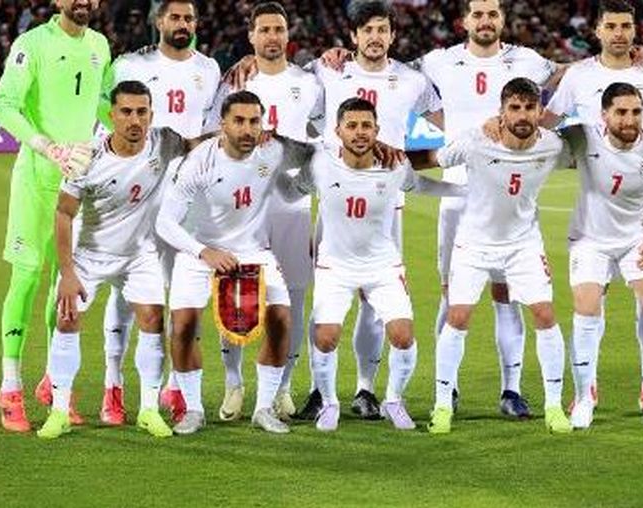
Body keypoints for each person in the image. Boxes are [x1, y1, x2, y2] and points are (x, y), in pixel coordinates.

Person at [414, 0, 566, 418]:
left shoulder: (527, 59)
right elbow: (389, 69)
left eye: (492, 13)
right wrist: (338, 57)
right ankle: (448, 389)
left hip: (509, 197)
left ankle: (511, 390)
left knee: (508, 295)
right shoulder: (440, 60)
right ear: (464, 20)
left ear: (502, 19)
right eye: (478, 14)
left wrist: (617, 60)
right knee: (452, 296)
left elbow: (569, 75)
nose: (485, 21)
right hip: (457, 195)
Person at [284, 98, 463, 431]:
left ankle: (393, 401)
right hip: (335, 268)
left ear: (377, 130)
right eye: (351, 126)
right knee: (325, 337)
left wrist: (463, 191)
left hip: (383, 267)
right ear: (337, 130)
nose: (359, 132)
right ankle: (329, 403)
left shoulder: (394, 166)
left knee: (403, 336)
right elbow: (289, 191)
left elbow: (420, 185)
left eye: (366, 125)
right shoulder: (321, 164)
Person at [39, 80, 198, 439]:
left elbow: (193, 145)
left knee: (153, 319)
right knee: (67, 319)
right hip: (91, 255)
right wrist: (67, 273)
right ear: (112, 115)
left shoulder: (163, 141)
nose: (135, 120)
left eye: (142, 112)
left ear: (151, 114)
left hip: (140, 255)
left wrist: (230, 134)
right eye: (126, 112)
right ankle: (60, 410)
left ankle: (148, 409)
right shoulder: (86, 158)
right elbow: (63, 214)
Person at [154, 91, 317, 434]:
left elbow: (317, 155)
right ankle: (193, 410)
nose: (247, 129)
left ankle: (263, 408)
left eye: (254, 121)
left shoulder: (273, 149)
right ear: (222, 124)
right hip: (200, 251)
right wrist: (205, 252)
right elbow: (165, 223)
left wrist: (302, 182)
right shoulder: (199, 161)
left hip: (254, 251)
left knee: (281, 319)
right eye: (239, 121)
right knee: (182, 326)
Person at [92, 0, 222, 426]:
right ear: (159, 21)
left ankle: (174, 387)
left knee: (181, 294)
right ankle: (113, 385)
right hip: (138, 195)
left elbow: (214, 129)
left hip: (188, 198)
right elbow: (105, 122)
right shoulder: (130, 65)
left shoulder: (209, 69)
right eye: (175, 17)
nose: (182, 24)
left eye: (189, 18)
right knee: (125, 292)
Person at [543, 0, 643, 411]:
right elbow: (547, 122)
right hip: (597, 199)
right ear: (597, 31)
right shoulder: (579, 75)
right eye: (612, 26)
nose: (619, 33)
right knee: (591, 296)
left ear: (635, 30)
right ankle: (588, 388)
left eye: (626, 26)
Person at [202, 2, 324, 423]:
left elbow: (324, 134)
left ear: (288, 34)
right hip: (240, 204)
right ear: (251, 35)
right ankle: (233, 382)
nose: (273, 36)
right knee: (234, 291)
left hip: (291, 204)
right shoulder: (234, 81)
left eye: (279, 29)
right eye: (265, 29)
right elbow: (213, 132)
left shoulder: (308, 83)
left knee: (294, 295)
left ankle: (283, 386)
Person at [0, 0, 110, 432]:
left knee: (66, 287)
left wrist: (100, 143)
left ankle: (54, 382)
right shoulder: (32, 44)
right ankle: (10, 387)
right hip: (36, 181)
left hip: (78, 184)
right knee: (26, 278)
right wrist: (45, 146)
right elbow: (5, 105)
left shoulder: (100, 45)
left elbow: (105, 106)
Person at [563, 82, 643, 430]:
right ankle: (585, 397)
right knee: (586, 307)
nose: (630, 119)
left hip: (638, 239)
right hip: (590, 239)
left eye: (636, 112)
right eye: (621, 112)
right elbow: (533, 146)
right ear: (604, 114)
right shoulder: (580, 137)